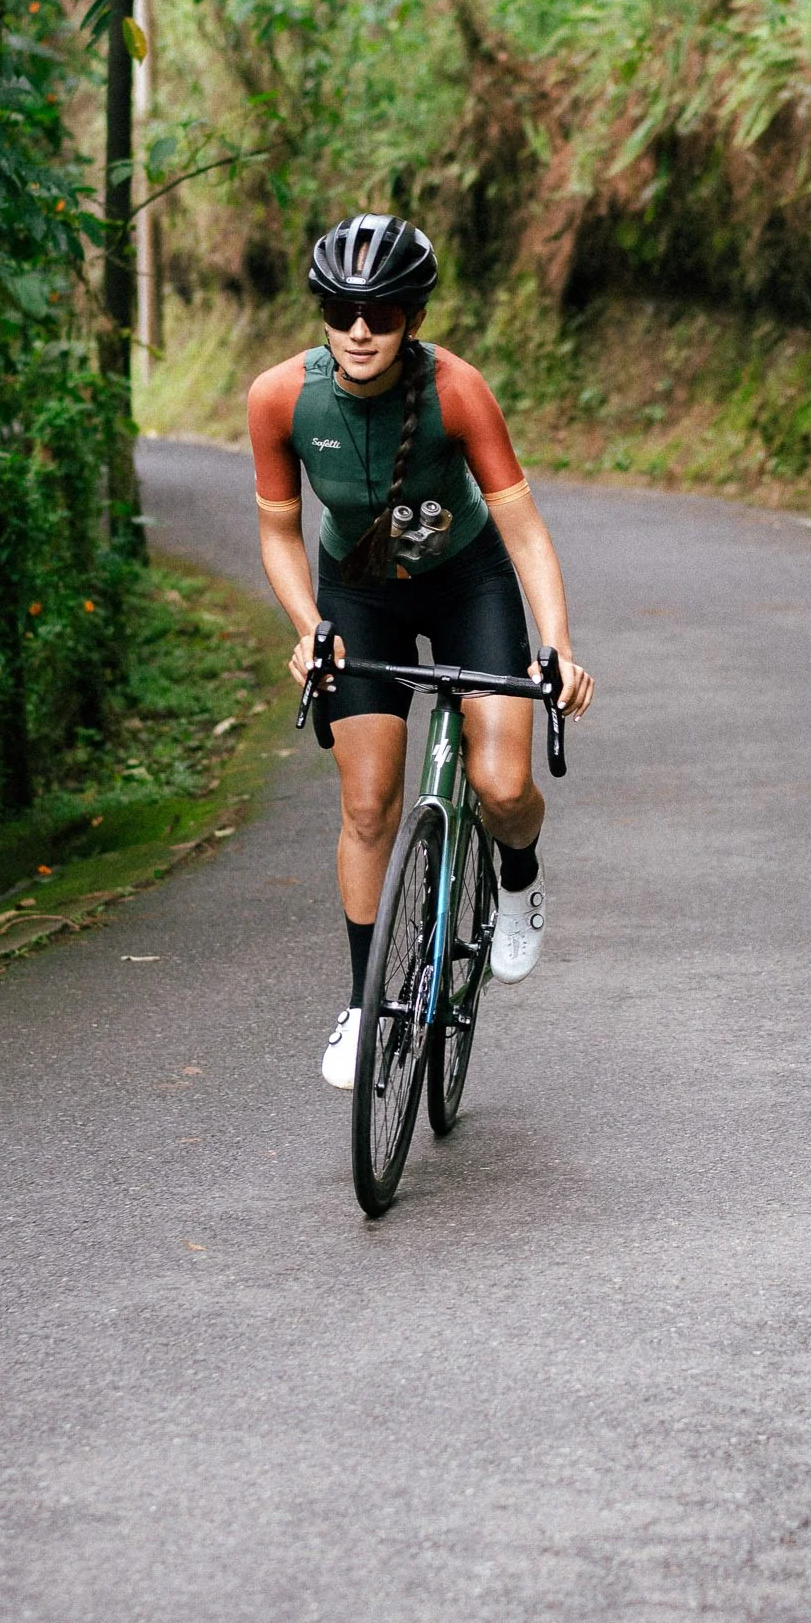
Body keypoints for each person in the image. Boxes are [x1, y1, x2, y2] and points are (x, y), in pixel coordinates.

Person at [248, 214, 596, 1089]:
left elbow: (521, 528)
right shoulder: (280, 397)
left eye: (385, 311)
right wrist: (308, 628)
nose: (360, 330)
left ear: (413, 318)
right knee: (368, 804)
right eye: (341, 310)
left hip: (465, 580)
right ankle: (366, 1001)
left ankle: (516, 874)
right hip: (358, 594)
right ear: (323, 315)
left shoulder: (457, 391)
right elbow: (280, 534)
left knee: (503, 785)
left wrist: (554, 646)